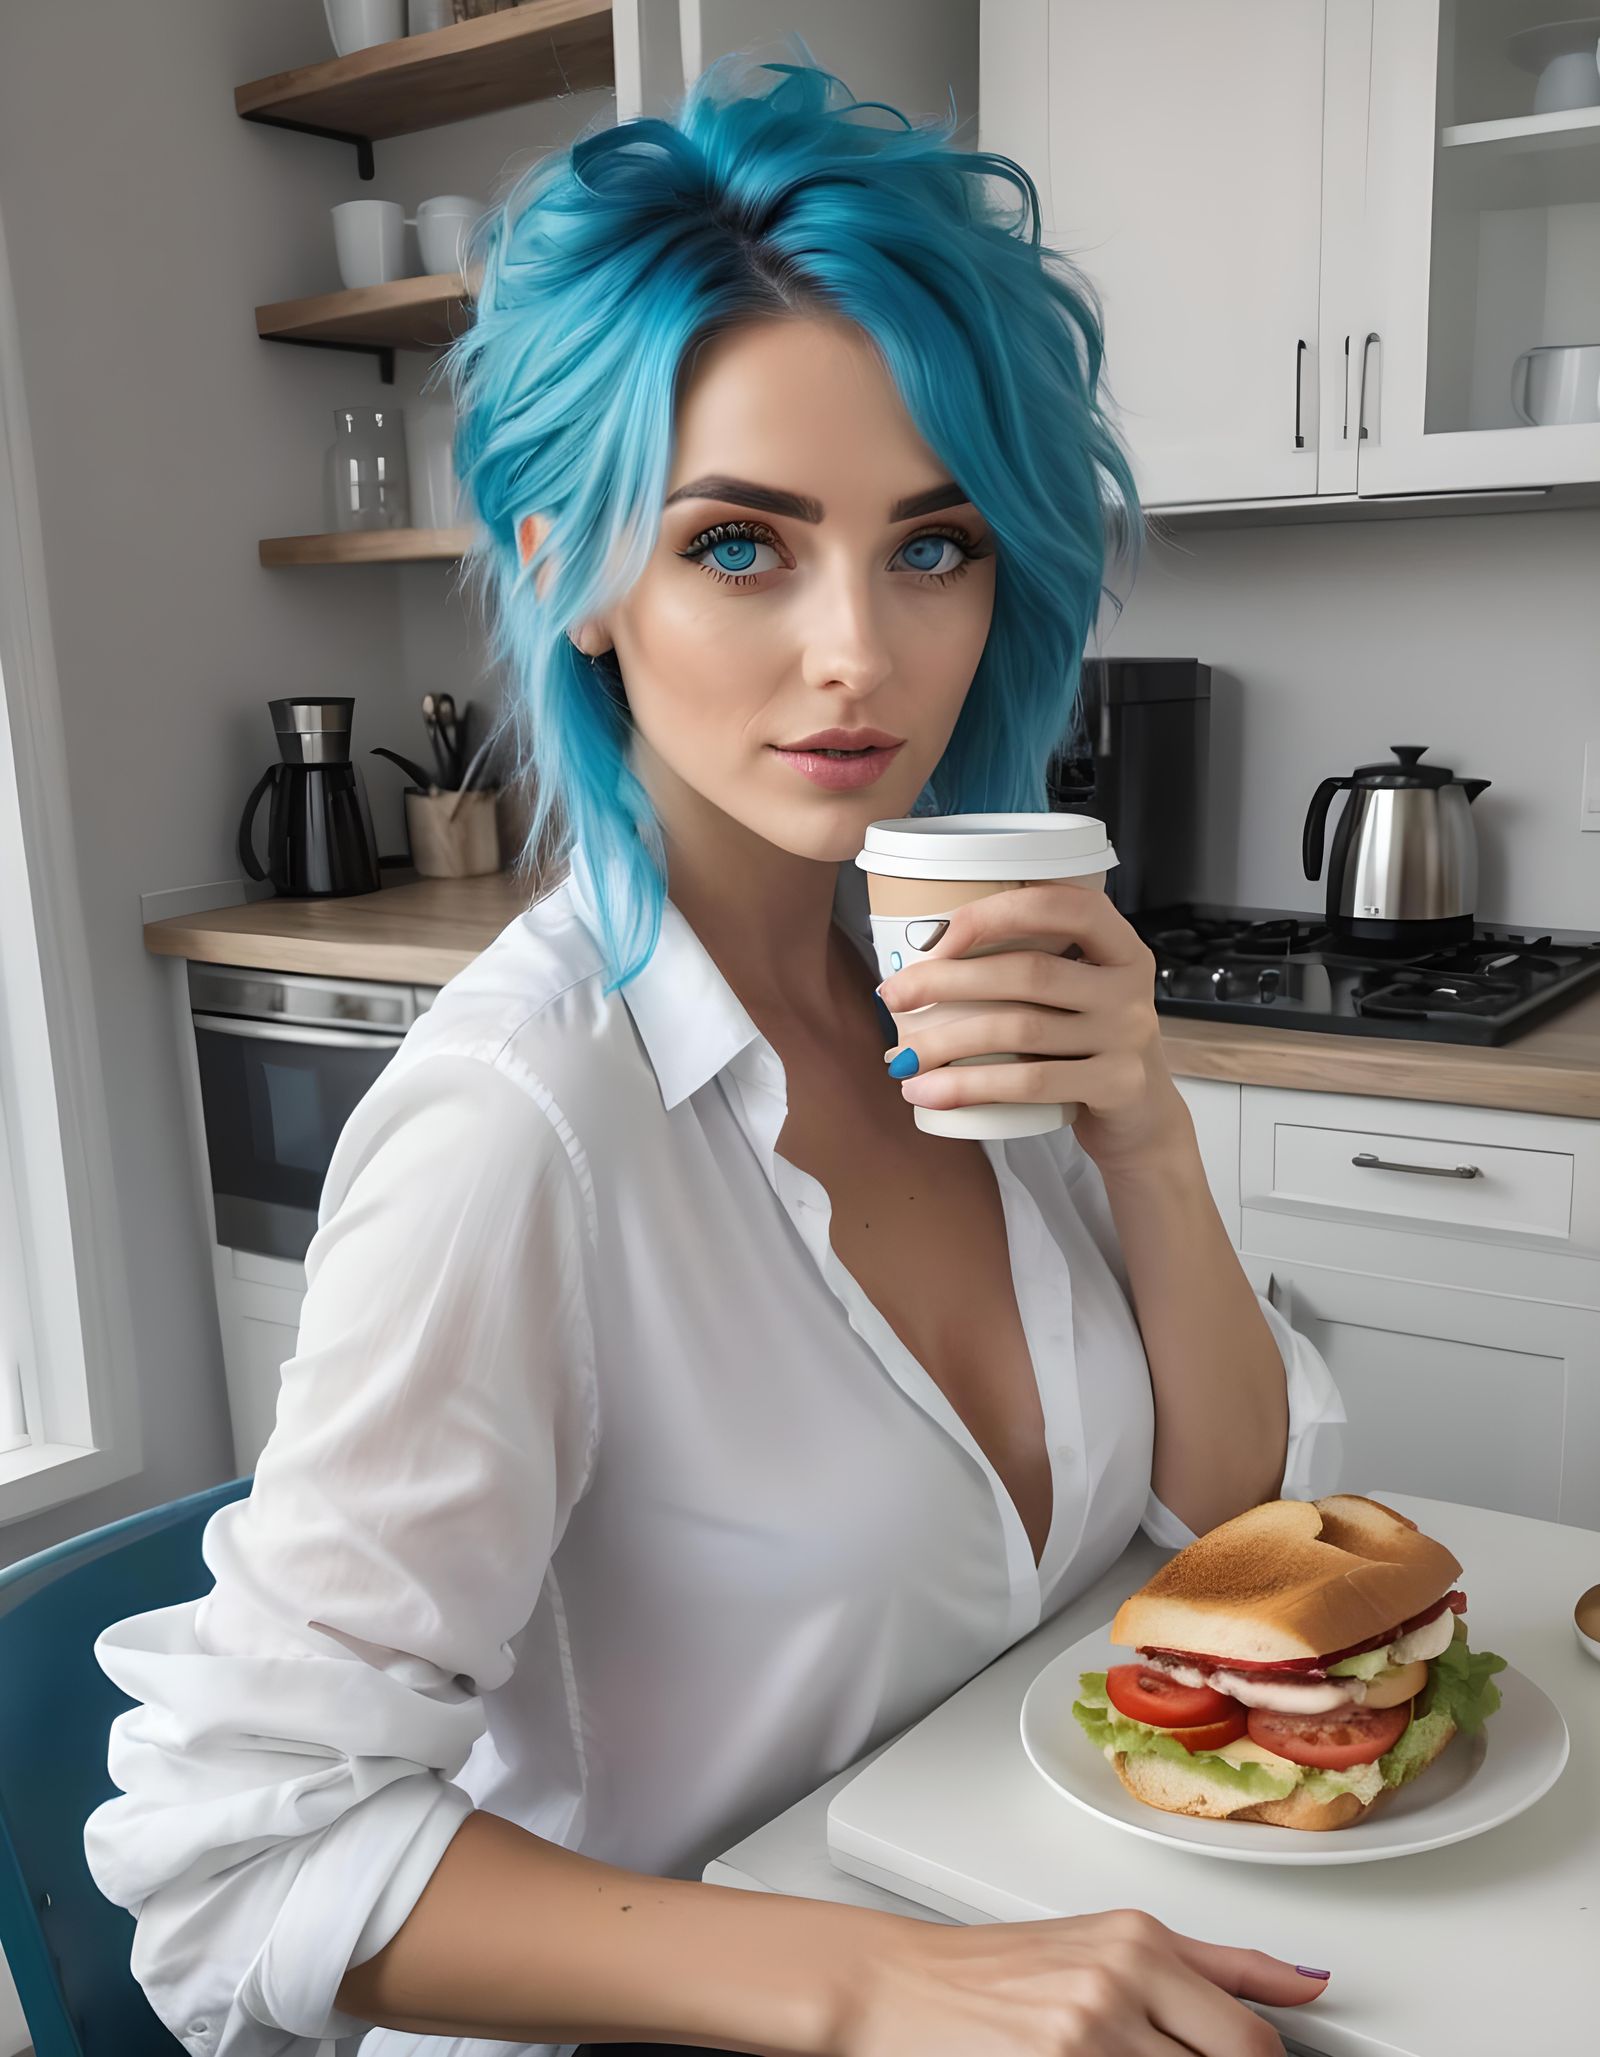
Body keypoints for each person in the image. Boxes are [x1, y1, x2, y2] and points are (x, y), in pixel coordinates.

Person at [85, 48, 1346, 2057]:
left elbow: (1204, 1530)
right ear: (567, 572)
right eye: (738, 544)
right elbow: (234, 1865)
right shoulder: (524, 1129)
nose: (855, 650)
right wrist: (875, 1986)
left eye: (929, 545)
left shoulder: (949, 1003)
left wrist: (1147, 1144)